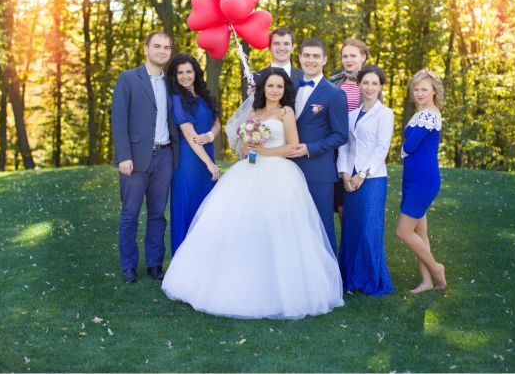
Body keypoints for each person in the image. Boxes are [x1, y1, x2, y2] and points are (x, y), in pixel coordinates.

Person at [161, 69, 343, 319]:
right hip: (248, 170)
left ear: (284, 90)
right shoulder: (252, 113)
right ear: (263, 88)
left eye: (280, 86)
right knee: (238, 225)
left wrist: (264, 151)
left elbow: (292, 145)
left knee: (276, 227)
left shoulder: (285, 112)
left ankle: (278, 287)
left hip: (279, 174)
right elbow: (244, 149)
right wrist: (248, 142)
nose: (275, 90)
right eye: (271, 86)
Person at [111, 32, 179, 284]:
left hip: (164, 157)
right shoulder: (128, 79)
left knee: (157, 214)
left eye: (167, 47)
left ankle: (154, 264)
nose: (162, 51)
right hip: (136, 158)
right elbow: (118, 120)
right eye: (157, 46)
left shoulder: (171, 83)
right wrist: (124, 156)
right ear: (146, 49)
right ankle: (129, 266)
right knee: (130, 214)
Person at [286, 38, 348, 255]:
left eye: (315, 56)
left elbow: (340, 135)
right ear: (300, 57)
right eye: (306, 55)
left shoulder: (335, 93)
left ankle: (330, 285)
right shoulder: (289, 89)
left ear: (324, 59)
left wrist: (309, 148)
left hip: (319, 171)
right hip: (287, 169)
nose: (310, 60)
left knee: (321, 227)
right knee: (293, 226)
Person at [336, 65, 394, 296]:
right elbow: (345, 146)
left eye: (374, 83)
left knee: (369, 229)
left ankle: (372, 279)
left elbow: (382, 148)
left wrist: (362, 175)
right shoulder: (350, 115)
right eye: (365, 83)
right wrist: (344, 175)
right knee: (351, 229)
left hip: (372, 179)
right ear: (358, 84)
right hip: (350, 178)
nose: (369, 87)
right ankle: (350, 277)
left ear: (380, 87)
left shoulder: (385, 113)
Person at [396, 68, 447, 293]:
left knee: (403, 232)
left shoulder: (429, 114)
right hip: (414, 177)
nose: (419, 93)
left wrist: (403, 148)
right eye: (416, 89)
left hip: (423, 180)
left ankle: (437, 269)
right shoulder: (423, 112)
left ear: (434, 91)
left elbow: (410, 145)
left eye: (424, 89)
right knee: (420, 232)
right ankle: (428, 282)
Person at [167, 53, 221, 255]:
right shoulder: (177, 99)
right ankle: (184, 259)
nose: (184, 76)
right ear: (175, 75)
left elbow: (217, 122)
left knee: (206, 207)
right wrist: (209, 164)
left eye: (188, 71)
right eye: (180, 72)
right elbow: (189, 135)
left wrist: (209, 135)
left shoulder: (204, 94)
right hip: (189, 160)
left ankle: (205, 256)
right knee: (189, 205)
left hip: (206, 152)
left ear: (195, 72)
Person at [329, 38, 370, 223]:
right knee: (339, 200)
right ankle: (346, 245)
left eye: (353, 55)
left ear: (363, 57)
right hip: (336, 146)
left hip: (358, 147)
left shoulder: (371, 83)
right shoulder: (334, 82)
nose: (348, 59)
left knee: (355, 199)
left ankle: (355, 245)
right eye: (345, 56)